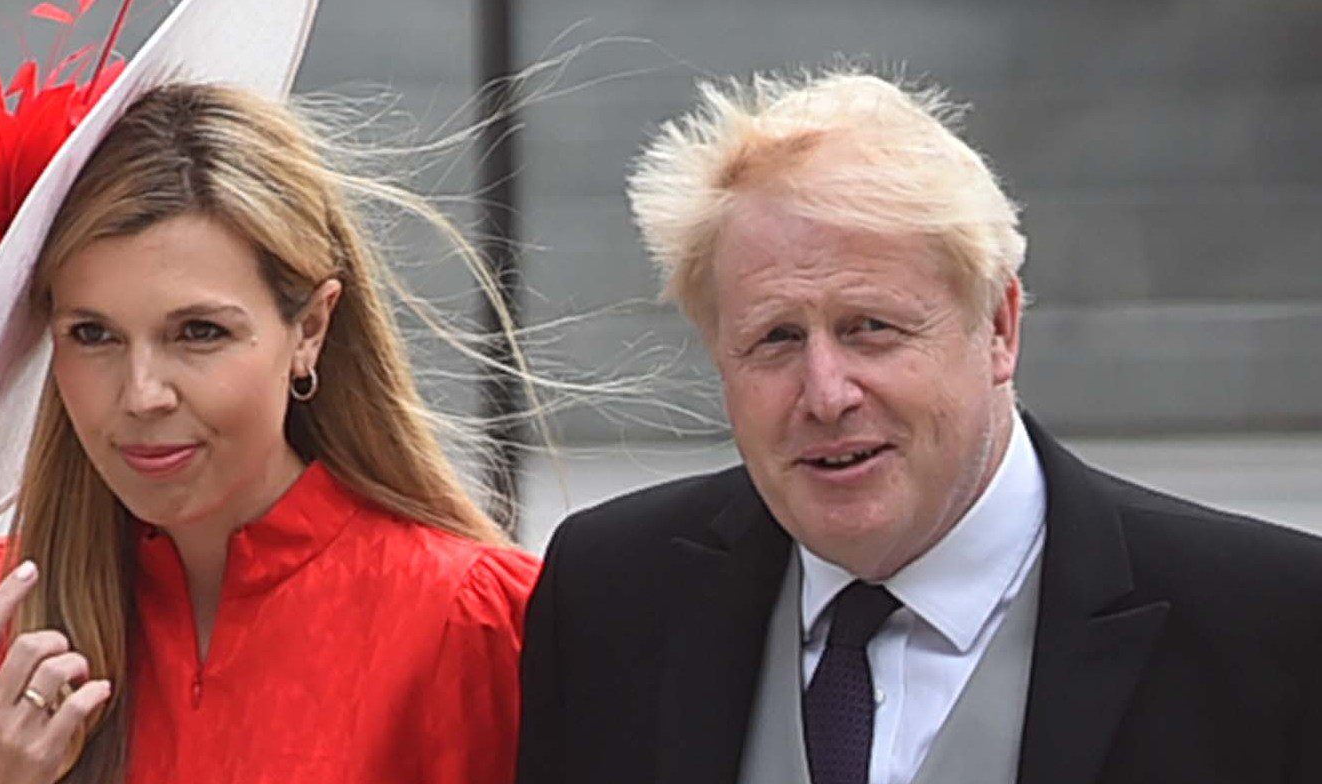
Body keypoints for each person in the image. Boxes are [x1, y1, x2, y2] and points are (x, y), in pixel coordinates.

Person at [515, 68, 1322, 784]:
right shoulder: (614, 598)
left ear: (1000, 327)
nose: (826, 394)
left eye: (872, 327)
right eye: (777, 339)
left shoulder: (1270, 627)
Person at [0, 1, 537, 782]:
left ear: (310, 327)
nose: (142, 394)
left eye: (199, 333)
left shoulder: (473, 617)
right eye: (94, 334)